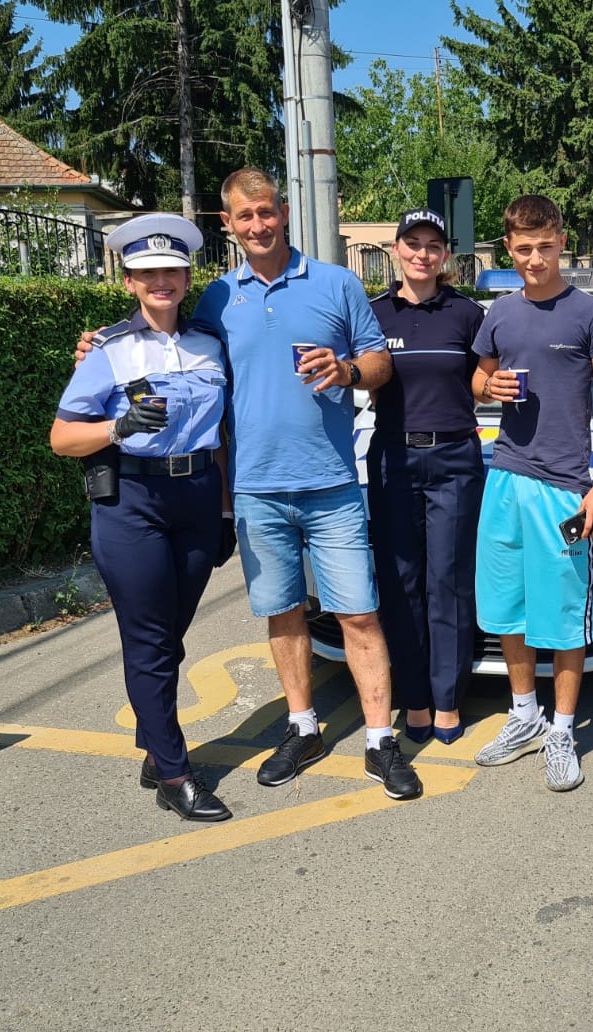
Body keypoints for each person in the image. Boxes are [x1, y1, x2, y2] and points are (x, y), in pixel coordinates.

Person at [80, 170, 424, 801]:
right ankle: (302, 728)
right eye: (245, 217)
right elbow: (162, 339)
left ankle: (380, 741)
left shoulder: (337, 283)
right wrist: (101, 343)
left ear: (284, 211)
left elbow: (380, 363)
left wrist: (346, 369)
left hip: (331, 484)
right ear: (227, 223)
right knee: (282, 614)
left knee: (359, 613)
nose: (258, 225)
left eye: (267, 212)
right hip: (255, 490)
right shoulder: (215, 298)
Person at [50, 214, 235, 822]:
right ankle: (173, 774)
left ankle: (156, 748)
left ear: (187, 277)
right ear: (128, 281)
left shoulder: (212, 343)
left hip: (199, 498)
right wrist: (114, 427)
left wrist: (227, 506)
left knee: (169, 638)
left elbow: (226, 431)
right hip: (133, 503)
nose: (161, 281)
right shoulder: (108, 351)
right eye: (146, 272)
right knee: (151, 641)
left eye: (171, 271)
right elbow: (61, 437)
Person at [469, 195, 593, 791]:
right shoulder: (500, 314)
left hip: (565, 486)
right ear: (509, 248)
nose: (535, 258)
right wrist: (491, 385)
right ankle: (523, 716)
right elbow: (478, 380)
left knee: (561, 614)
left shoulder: (591, 313)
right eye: (523, 248)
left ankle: (562, 729)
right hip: (505, 477)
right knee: (507, 606)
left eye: (544, 245)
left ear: (562, 240)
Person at [366, 209, 486, 745]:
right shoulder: (371, 315)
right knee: (401, 581)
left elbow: (490, 380)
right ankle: (412, 695)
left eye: (432, 245)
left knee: (449, 582)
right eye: (411, 243)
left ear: (445, 255)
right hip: (392, 456)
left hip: (456, 458)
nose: (422, 253)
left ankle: (446, 698)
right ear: (395, 250)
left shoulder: (469, 314)